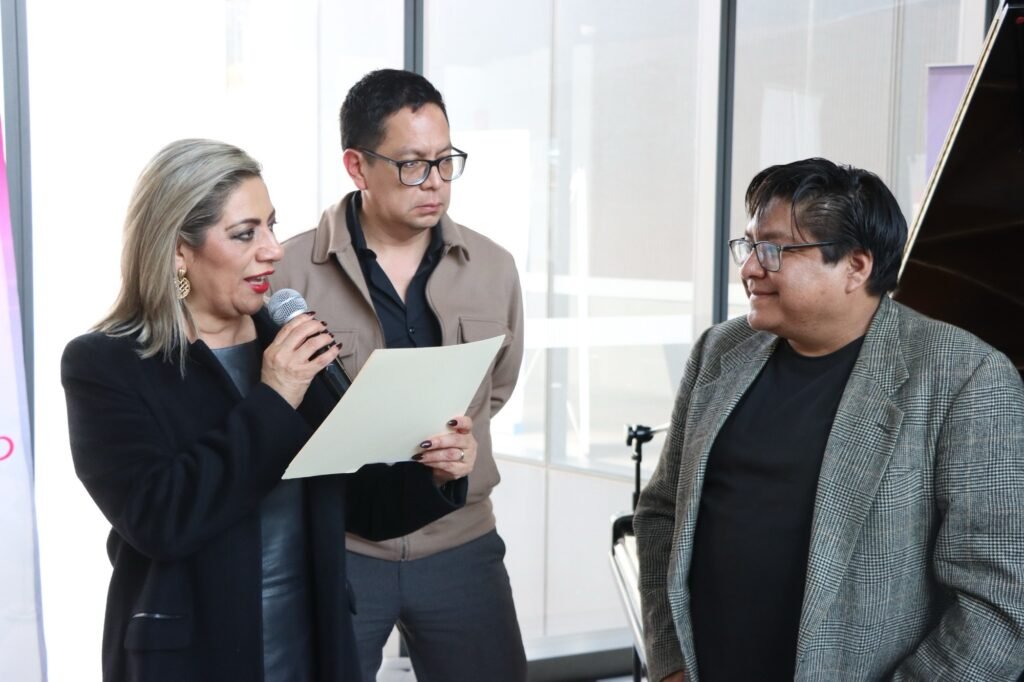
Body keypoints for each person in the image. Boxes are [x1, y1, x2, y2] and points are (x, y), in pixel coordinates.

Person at [61, 138, 479, 682]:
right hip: (195, 657)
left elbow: (357, 503)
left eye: (271, 226)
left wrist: (436, 471)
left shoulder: (288, 338)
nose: (274, 250)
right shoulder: (106, 364)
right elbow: (161, 521)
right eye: (245, 233)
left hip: (313, 644)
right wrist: (275, 396)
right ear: (178, 250)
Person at [634, 157, 1024, 681]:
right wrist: (671, 663)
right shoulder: (719, 350)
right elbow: (661, 514)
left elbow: (1000, 603)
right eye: (748, 246)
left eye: (773, 250)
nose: (749, 269)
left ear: (855, 267)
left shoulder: (965, 377)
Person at [271, 69, 527, 681]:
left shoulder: (493, 267)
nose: (434, 181)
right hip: (339, 547)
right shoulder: (288, 273)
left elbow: (494, 389)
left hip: (461, 541)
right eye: (412, 164)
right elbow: (272, 411)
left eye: (445, 161)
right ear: (357, 167)